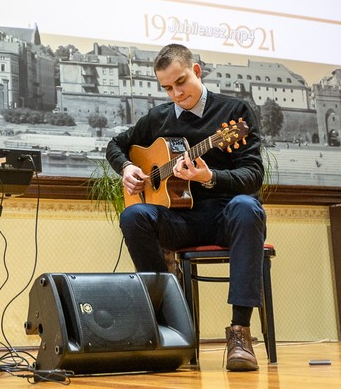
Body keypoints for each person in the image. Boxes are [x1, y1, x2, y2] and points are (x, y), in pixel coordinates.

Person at [106, 43, 266, 372]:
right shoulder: (157, 119)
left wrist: (211, 176)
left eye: (181, 82)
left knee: (248, 207)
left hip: (226, 215)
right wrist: (127, 168)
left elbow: (253, 176)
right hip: (180, 221)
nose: (176, 94)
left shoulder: (233, 113)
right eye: (167, 88)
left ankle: (239, 332)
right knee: (134, 215)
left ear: (196, 71)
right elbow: (115, 145)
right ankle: (169, 324)